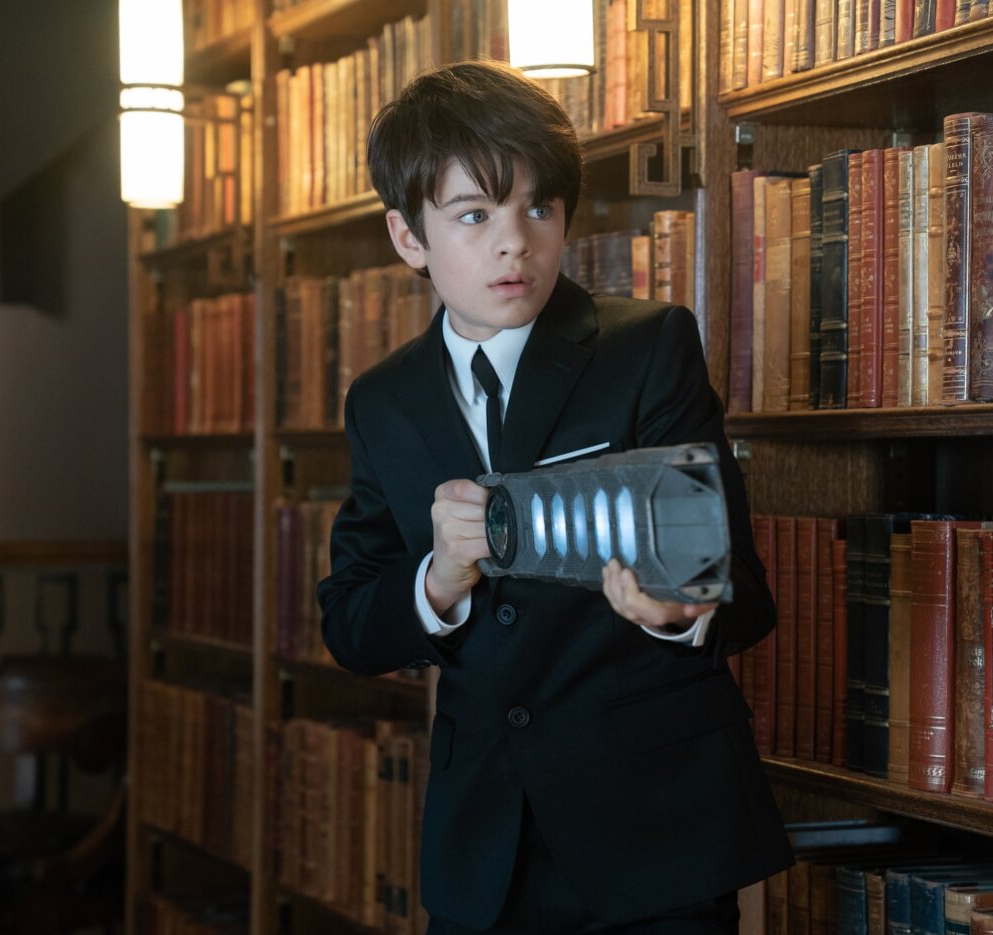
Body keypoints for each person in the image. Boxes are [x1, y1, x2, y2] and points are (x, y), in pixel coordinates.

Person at [317, 60, 793, 934]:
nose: (516, 243)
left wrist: (678, 611)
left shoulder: (648, 347)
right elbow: (349, 623)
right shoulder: (383, 401)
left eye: (538, 208)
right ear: (408, 237)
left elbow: (748, 595)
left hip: (657, 832)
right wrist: (440, 579)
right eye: (474, 215)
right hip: (483, 848)